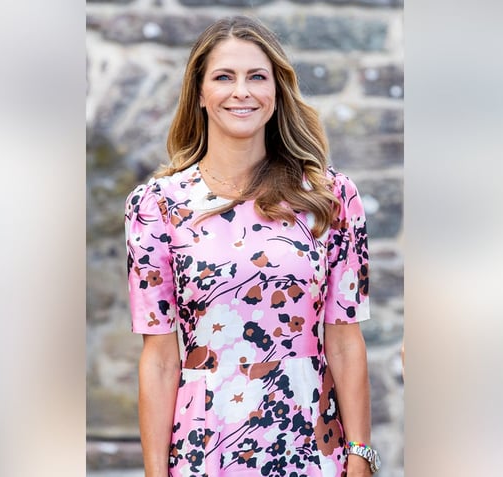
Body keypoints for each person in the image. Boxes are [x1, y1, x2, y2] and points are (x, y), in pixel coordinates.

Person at [125, 15, 380, 477]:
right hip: (204, 448)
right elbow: (160, 359)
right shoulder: (156, 206)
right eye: (224, 77)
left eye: (256, 77)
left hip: (308, 443)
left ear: (276, 91)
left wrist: (360, 454)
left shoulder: (331, 198)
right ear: (200, 94)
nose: (241, 91)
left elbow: (344, 342)